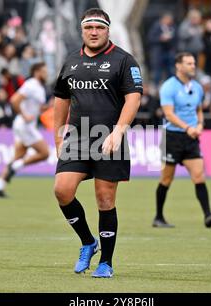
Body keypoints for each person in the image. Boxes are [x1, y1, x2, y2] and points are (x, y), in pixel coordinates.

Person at [53, 8, 142, 278]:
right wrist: (58, 133)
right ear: (82, 30)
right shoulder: (70, 61)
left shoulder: (124, 60)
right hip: (78, 137)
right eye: (89, 28)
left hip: (109, 137)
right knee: (62, 190)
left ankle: (106, 262)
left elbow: (133, 98)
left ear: (107, 30)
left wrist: (118, 131)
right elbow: (61, 98)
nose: (94, 32)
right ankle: (88, 242)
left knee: (105, 199)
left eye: (99, 28)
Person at [153, 52, 211, 228]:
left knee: (199, 176)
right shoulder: (169, 87)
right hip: (172, 138)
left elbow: (199, 109)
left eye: (193, 63)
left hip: (191, 138)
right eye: (189, 63)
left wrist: (200, 124)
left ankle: (208, 215)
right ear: (178, 66)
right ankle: (159, 217)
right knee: (166, 179)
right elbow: (168, 114)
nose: (193, 66)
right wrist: (188, 128)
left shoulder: (197, 87)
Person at [0, 62, 50, 198]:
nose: (46, 74)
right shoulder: (31, 85)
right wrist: (24, 115)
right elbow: (14, 100)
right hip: (25, 125)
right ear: (37, 71)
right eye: (44, 71)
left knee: (18, 155)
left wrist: (46, 108)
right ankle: (17, 166)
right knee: (45, 153)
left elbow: (35, 108)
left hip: (25, 125)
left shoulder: (39, 87)